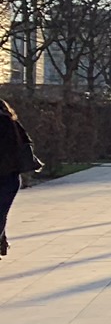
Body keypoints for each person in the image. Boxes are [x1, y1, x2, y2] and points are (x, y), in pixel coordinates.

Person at [0, 99, 44, 255]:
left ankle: (2, 239)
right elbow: (26, 144)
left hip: (7, 175)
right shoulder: (12, 124)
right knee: (1, 212)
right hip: (9, 176)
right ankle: (1, 239)